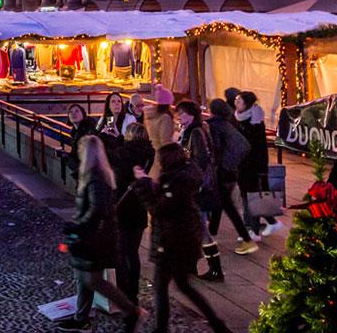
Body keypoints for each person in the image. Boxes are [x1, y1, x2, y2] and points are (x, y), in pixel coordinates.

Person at [133, 142, 233, 333]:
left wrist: (143, 185)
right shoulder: (182, 177)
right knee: (184, 285)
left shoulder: (176, 183)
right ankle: (217, 324)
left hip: (172, 244)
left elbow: (158, 208)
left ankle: (162, 329)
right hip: (182, 242)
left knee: (161, 288)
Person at [59, 135, 144, 332]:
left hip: (95, 238)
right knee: (82, 276)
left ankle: (132, 311)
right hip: (91, 235)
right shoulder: (95, 175)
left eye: (81, 150)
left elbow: (99, 209)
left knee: (92, 279)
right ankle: (81, 318)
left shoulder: (95, 177)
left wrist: (79, 225)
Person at [176, 100, 224, 281]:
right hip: (195, 187)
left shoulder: (195, 132)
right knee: (195, 227)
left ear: (192, 115)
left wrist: (190, 177)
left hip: (198, 189)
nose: (180, 117)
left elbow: (201, 159)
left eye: (183, 113)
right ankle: (193, 266)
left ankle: (214, 268)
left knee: (201, 228)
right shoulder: (189, 131)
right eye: (178, 113)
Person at [205, 98, 257, 254]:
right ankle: (211, 234)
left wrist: (217, 163)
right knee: (220, 202)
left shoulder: (214, 126)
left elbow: (216, 149)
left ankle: (247, 240)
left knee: (226, 205)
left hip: (221, 171)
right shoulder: (228, 124)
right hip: (231, 171)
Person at [111, 121, 154, 305]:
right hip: (139, 206)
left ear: (128, 135)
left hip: (122, 207)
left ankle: (123, 292)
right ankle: (133, 293)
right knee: (133, 253)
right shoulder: (148, 153)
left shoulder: (122, 154)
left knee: (120, 253)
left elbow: (115, 166)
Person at [234, 90, 281, 237]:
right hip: (241, 165)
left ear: (247, 104)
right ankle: (269, 223)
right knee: (247, 196)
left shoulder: (255, 121)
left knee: (252, 197)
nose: (236, 103)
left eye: (239, 101)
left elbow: (260, 147)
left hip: (253, 165)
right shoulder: (237, 117)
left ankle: (252, 230)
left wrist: (261, 169)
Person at [66, 103, 96, 183]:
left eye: (77, 111)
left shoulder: (88, 128)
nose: (74, 114)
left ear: (83, 114)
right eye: (71, 112)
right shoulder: (74, 132)